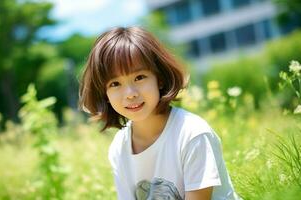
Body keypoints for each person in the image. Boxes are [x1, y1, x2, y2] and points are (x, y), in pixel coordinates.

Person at [79, 27, 240, 200]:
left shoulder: (192, 134)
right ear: (105, 94)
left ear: (160, 79)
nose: (130, 93)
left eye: (139, 77)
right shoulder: (119, 147)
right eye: (115, 84)